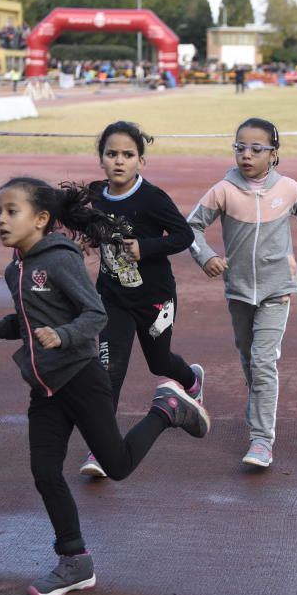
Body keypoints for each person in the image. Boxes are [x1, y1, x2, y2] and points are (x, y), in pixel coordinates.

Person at [0, 177, 210, 595]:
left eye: (12, 212)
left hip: (81, 377)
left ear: (42, 219)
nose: (2, 220)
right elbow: (27, 319)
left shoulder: (60, 261)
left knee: (116, 464)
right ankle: (75, 561)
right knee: (45, 472)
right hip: (45, 386)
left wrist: (62, 337)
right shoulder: (16, 268)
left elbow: (94, 313)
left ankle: (168, 409)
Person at [187, 117, 297, 468]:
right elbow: (192, 228)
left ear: (273, 154)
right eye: (239, 148)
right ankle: (259, 402)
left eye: (256, 149)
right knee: (249, 358)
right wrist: (207, 257)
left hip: (278, 289)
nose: (246, 155)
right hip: (239, 290)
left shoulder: (289, 188)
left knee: (263, 362)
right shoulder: (223, 190)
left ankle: (261, 440)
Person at [79, 121, 202, 478]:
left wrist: (144, 247)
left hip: (154, 299)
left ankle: (191, 380)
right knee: (108, 372)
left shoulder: (151, 197)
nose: (119, 161)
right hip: (112, 298)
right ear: (101, 159)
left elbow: (183, 235)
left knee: (159, 362)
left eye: (128, 155)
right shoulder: (95, 194)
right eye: (111, 154)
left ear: (141, 162)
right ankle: (100, 447)